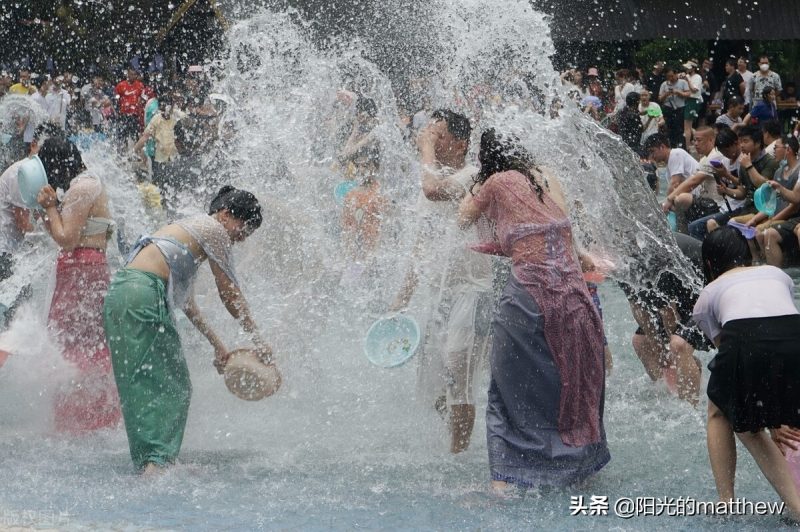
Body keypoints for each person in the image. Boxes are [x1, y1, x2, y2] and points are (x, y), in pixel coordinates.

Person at [458, 129, 609, 489]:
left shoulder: (494, 181)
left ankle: (505, 483)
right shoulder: (545, 177)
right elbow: (563, 237)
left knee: (507, 389)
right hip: (575, 297)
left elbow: (462, 218)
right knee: (570, 384)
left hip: (529, 295)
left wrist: (473, 185)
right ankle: (576, 474)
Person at [103, 186, 272, 473]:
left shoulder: (185, 231)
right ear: (226, 215)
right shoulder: (214, 229)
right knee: (174, 384)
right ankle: (157, 465)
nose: (238, 241)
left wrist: (218, 346)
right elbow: (229, 292)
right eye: (241, 232)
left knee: (141, 384)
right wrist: (258, 338)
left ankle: (150, 461)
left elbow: (188, 304)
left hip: (121, 295)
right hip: (143, 294)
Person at [391, 110, 493, 455]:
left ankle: (458, 456)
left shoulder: (474, 175)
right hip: (440, 293)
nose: (433, 141)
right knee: (434, 381)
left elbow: (433, 189)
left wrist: (423, 145)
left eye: (440, 136)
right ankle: (452, 445)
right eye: (432, 135)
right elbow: (421, 249)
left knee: (458, 370)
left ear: (462, 143)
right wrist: (399, 301)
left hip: (473, 290)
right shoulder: (431, 183)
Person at [693, 227, 800, 517]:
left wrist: (767, 419)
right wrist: (777, 417)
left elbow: (732, 358)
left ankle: (728, 501)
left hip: (746, 342)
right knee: (792, 424)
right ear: (748, 255)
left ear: (710, 263)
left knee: (723, 411)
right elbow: (778, 328)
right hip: (796, 339)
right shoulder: (778, 274)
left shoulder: (707, 294)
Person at [35, 136, 121, 432]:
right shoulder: (88, 182)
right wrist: (48, 211)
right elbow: (64, 233)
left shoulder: (81, 189)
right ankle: (98, 415)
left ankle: (80, 418)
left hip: (81, 270)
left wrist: (49, 208)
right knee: (90, 342)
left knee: (72, 342)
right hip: (89, 267)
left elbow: (67, 239)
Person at [624, 233, 709, 405]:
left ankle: (691, 404)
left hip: (703, 289)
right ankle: (667, 392)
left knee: (678, 346)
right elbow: (637, 306)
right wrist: (658, 350)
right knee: (641, 342)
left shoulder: (652, 254)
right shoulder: (622, 260)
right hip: (678, 294)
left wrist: (669, 352)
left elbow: (669, 312)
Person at [661, 127, 724, 232]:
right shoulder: (704, 158)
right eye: (694, 140)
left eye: (699, 140)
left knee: (680, 199)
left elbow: (694, 181)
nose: (695, 144)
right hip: (705, 201)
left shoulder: (715, 156)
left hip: (717, 204)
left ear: (711, 140)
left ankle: (682, 233)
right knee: (678, 199)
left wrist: (668, 199)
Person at [758, 136, 800, 267]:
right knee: (765, 233)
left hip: (793, 217)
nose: (774, 151)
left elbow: (795, 203)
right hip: (789, 219)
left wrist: (773, 220)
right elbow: (794, 197)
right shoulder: (778, 172)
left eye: (776, 148)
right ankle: (771, 273)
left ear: (788, 149)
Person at [659, 67, 690, 148]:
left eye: (672, 76)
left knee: (680, 130)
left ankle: (682, 148)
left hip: (679, 108)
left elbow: (688, 94)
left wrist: (678, 92)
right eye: (668, 76)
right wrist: (666, 94)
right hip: (668, 108)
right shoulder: (664, 84)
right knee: (669, 130)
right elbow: (660, 98)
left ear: (676, 74)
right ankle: (672, 147)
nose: (670, 78)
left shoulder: (683, 82)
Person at [681, 61, 704, 148]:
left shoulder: (697, 77)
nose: (686, 69)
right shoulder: (688, 76)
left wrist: (688, 80)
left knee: (687, 125)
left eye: (688, 68)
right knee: (689, 126)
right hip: (687, 100)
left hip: (693, 100)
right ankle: (698, 141)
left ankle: (687, 146)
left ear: (693, 68)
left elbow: (694, 90)